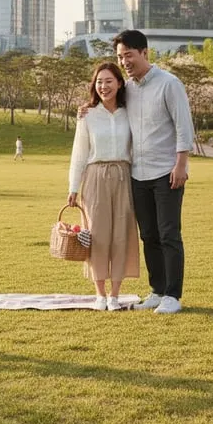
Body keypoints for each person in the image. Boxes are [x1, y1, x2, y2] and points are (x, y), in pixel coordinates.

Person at [113, 30, 194, 315]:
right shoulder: (128, 88)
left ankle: (173, 295)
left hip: (167, 171)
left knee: (169, 233)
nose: (124, 62)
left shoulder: (169, 84)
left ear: (145, 53)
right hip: (138, 174)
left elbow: (184, 126)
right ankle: (158, 291)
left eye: (129, 56)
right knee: (149, 235)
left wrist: (181, 165)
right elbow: (107, 103)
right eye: (120, 57)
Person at [68, 62, 139, 311]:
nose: (103, 86)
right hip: (95, 175)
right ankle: (99, 294)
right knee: (97, 235)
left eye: (109, 81)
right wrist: (73, 187)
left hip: (123, 175)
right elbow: (79, 152)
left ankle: (115, 295)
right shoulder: (88, 114)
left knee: (121, 234)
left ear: (120, 83)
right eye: (99, 82)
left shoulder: (130, 112)